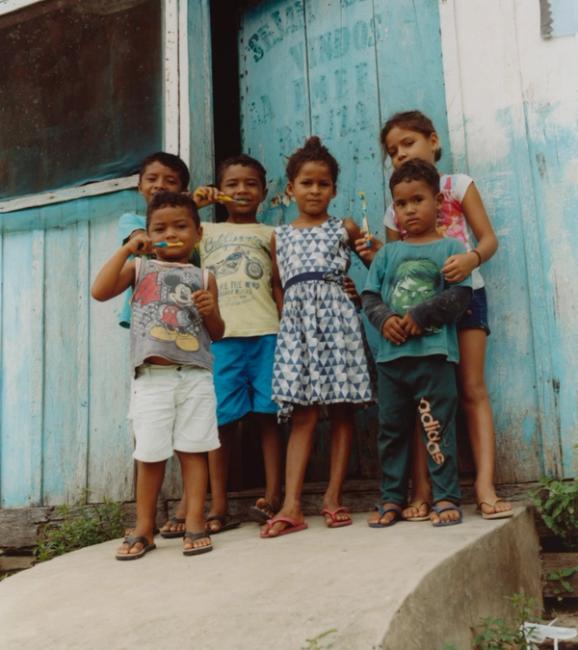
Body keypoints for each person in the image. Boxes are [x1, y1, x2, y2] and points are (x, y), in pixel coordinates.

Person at [359, 110, 511, 521]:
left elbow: (489, 238)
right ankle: (422, 491)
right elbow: (397, 269)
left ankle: (483, 485)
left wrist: (471, 259)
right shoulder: (396, 210)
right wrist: (372, 253)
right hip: (415, 321)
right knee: (417, 397)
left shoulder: (457, 185)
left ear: (433, 140)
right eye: (392, 151)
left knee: (470, 389)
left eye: (407, 143)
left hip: (467, 296)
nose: (400, 155)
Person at [92, 192, 224, 558]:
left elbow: (218, 331)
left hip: (195, 376)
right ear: (147, 234)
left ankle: (195, 520)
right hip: (152, 378)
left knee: (194, 450)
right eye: (160, 228)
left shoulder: (205, 276)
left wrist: (210, 310)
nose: (172, 233)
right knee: (149, 454)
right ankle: (144, 527)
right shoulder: (140, 269)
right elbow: (99, 291)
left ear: (198, 233)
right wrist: (127, 250)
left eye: (181, 226)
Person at [261, 136, 374, 538]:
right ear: (290, 189)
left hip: (337, 322)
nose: (314, 190)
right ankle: (292, 504)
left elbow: (375, 265)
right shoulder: (281, 235)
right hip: (296, 327)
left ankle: (332, 496)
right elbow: (277, 282)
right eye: (306, 183)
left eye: (323, 184)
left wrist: (360, 294)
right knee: (304, 414)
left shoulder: (342, 227)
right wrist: (286, 318)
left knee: (342, 410)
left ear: (334, 189)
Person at [362, 159, 472, 527]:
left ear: (438, 201)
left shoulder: (449, 249)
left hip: (434, 357)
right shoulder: (388, 254)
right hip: (392, 361)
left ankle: (445, 497)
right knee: (391, 431)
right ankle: (392, 498)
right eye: (401, 203)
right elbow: (370, 297)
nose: (409, 209)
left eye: (418, 200)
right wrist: (385, 319)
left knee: (437, 428)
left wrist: (421, 315)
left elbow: (460, 297)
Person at [191, 154, 283, 532]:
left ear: (264, 192)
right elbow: (172, 230)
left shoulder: (270, 234)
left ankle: (274, 493)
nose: (241, 190)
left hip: (266, 334)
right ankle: (219, 502)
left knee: (269, 417)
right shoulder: (204, 232)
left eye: (250, 184)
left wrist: (286, 325)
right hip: (222, 337)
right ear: (219, 190)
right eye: (232, 184)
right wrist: (198, 204)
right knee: (222, 422)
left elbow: (277, 284)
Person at [117, 151, 192, 329]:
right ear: (139, 186)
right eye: (152, 179)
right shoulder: (131, 220)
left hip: (182, 307)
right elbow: (142, 242)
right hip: (145, 309)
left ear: (183, 192)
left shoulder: (189, 227)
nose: (160, 185)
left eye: (170, 181)